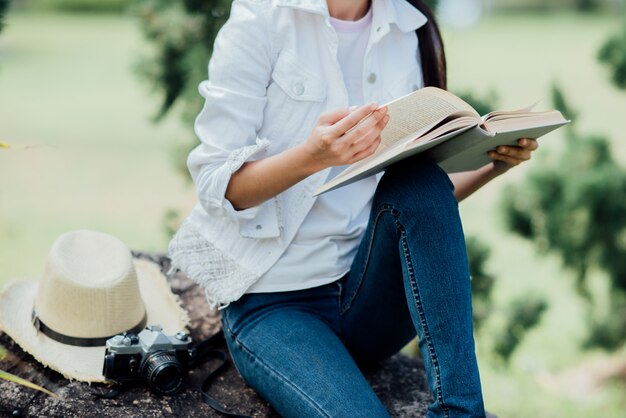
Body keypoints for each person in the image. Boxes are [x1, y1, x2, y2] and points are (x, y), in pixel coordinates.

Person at [168, 0, 539, 416]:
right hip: (275, 303)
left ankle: (460, 411)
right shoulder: (261, 18)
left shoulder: (407, 25)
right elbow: (219, 185)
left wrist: (492, 163)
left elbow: (417, 212)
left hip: (369, 297)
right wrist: (314, 156)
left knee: (420, 178)